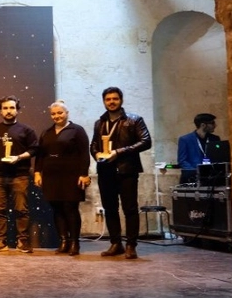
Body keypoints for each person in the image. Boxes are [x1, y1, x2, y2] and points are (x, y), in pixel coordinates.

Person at [90, 87, 152, 260]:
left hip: (127, 170)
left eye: (115, 99)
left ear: (121, 100)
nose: (111, 102)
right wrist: (97, 154)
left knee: (130, 208)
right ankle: (116, 243)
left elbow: (146, 141)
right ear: (104, 102)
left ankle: (131, 245)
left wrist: (118, 152)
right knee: (110, 209)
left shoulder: (134, 120)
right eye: (108, 99)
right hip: (105, 171)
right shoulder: (99, 123)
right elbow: (93, 145)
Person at [0, 95, 38, 253]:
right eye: (5, 108)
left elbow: (34, 149)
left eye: (12, 108)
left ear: (17, 110)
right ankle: (0, 241)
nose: (8, 111)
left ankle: (23, 241)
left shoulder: (26, 130)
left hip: (20, 175)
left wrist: (19, 157)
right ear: (0, 111)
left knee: (21, 209)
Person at [34, 100, 91, 256]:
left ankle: (74, 243)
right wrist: (37, 172)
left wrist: (84, 174)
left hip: (71, 176)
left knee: (70, 208)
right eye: (53, 114)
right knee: (57, 209)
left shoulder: (77, 130)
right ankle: (63, 241)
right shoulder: (46, 132)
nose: (57, 116)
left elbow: (84, 153)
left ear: (67, 113)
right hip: (51, 176)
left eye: (60, 113)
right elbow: (40, 155)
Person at [177, 113, 220, 184]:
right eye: (212, 123)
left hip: (211, 178)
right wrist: (196, 171)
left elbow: (219, 158)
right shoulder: (185, 139)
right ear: (203, 125)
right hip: (192, 178)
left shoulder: (215, 139)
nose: (215, 125)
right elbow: (182, 160)